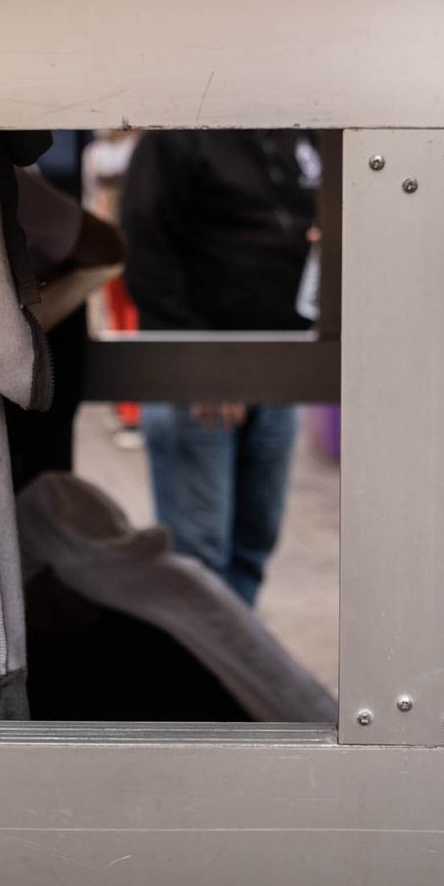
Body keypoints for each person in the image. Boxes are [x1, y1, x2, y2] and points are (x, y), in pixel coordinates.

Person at [121, 129, 319, 605]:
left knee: (253, 545)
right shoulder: (178, 136)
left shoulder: (300, 129)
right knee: (198, 558)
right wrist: (201, 369)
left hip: (277, 369)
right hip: (200, 379)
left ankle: (233, 670)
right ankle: (200, 676)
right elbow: (147, 257)